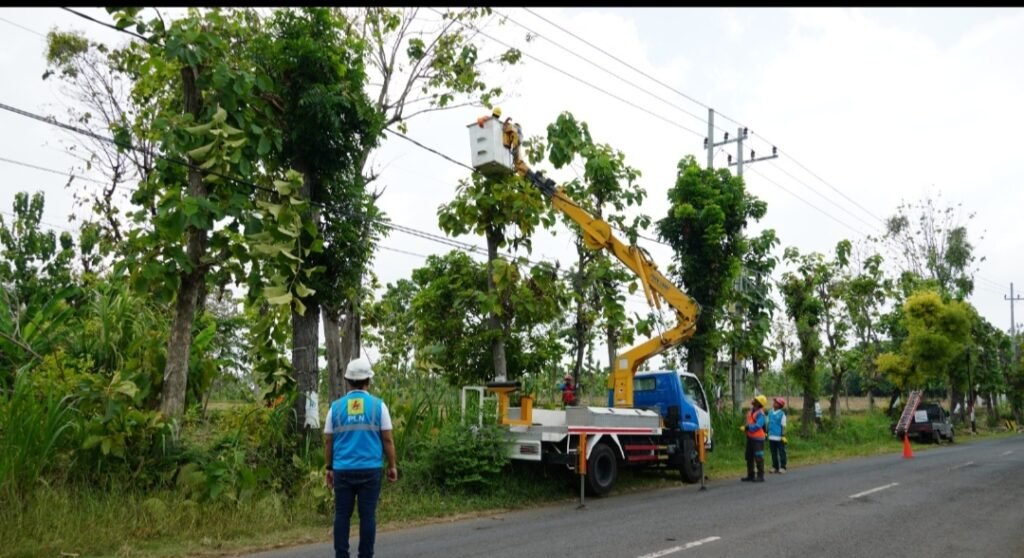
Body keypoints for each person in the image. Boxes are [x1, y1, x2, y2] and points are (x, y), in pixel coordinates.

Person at [324, 358, 398, 558]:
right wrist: (392, 466)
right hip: (370, 470)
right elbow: (388, 440)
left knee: (342, 515)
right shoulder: (378, 406)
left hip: (342, 469)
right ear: (368, 380)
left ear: (348, 380)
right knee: (367, 516)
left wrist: (329, 468)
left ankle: (342, 555)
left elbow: (328, 441)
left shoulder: (335, 408)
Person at [741, 394, 768, 483]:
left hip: (758, 439)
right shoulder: (751, 411)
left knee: (758, 457)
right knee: (749, 456)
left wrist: (749, 427)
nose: (753, 401)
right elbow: (749, 422)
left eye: (756, 400)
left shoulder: (761, 413)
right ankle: (750, 475)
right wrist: (746, 427)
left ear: (759, 403)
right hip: (750, 437)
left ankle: (760, 476)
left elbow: (758, 425)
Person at [767, 397, 788, 474]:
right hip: (771, 436)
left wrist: (783, 435)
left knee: (782, 452)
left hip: (779, 437)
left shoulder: (782, 414)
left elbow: (783, 426)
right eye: (774, 402)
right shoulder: (770, 412)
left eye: (776, 402)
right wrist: (766, 432)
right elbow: (768, 423)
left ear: (779, 405)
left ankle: (783, 467)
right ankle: (775, 466)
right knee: (773, 453)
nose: (774, 403)